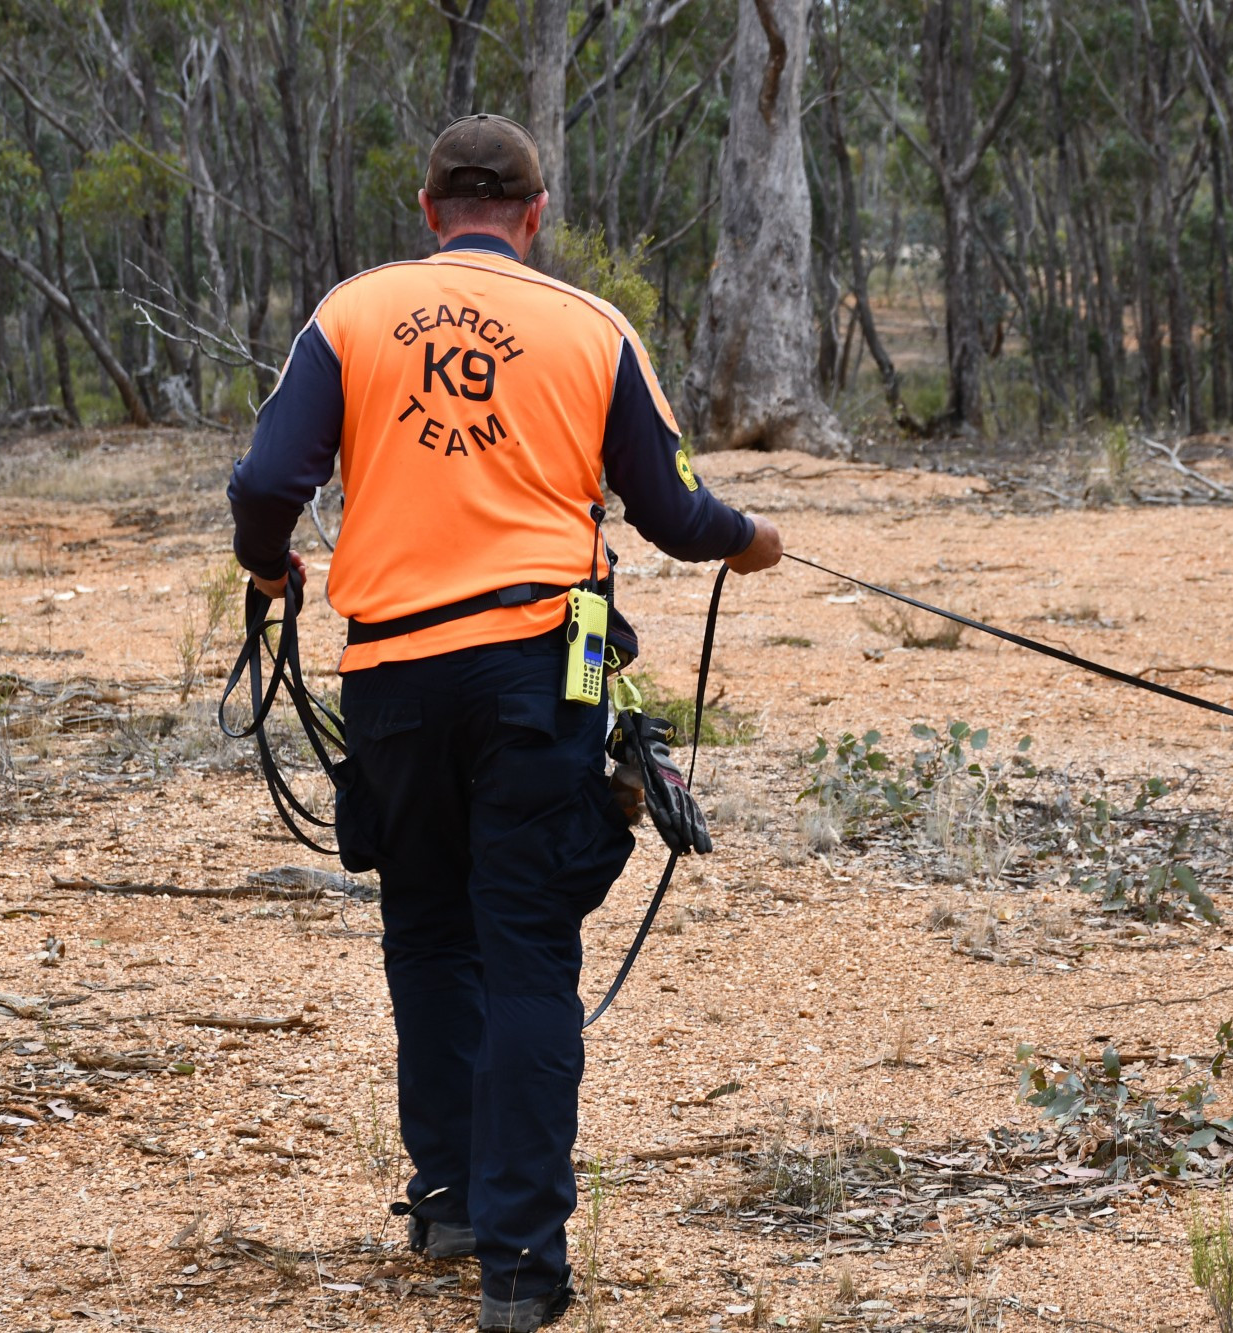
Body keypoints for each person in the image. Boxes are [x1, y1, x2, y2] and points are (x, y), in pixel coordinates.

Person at [227, 114, 782, 1333]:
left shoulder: (353, 313)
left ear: (428, 213)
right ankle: (522, 1266)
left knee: (427, 935)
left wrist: (269, 571)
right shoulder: (592, 328)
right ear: (535, 217)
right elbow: (675, 511)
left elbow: (267, 483)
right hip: (536, 672)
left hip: (395, 683)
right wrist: (753, 541)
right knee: (526, 951)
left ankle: (449, 1200)